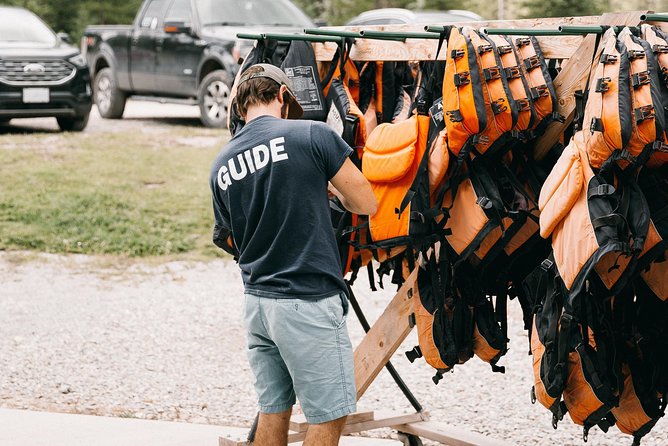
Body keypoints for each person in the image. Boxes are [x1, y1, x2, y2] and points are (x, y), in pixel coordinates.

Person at [209, 63, 377, 446]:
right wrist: (328, 190)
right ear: (283, 97)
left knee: (274, 410)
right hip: (307, 299)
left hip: (257, 304)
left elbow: (230, 239)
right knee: (328, 416)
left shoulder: (221, 164)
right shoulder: (313, 135)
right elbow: (367, 202)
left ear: (238, 106)